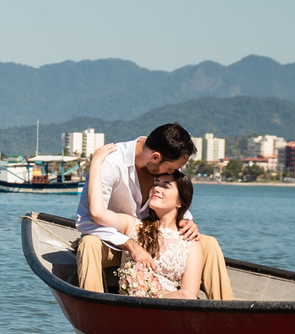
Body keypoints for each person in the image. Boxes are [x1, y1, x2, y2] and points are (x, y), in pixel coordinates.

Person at [74, 123, 233, 299]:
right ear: (155, 157)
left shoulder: (166, 161)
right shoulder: (110, 163)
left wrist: (187, 221)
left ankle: (227, 313)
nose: (173, 173)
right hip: (113, 240)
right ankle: (96, 308)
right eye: (171, 169)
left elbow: (176, 197)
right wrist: (129, 243)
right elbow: (86, 219)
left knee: (208, 244)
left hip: (153, 237)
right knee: (89, 244)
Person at [86, 146, 201, 298]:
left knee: (188, 297)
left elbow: (188, 293)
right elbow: (97, 213)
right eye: (156, 184)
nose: (157, 189)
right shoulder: (132, 225)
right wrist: (96, 164)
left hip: (168, 305)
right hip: (131, 302)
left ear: (180, 202)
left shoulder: (190, 240)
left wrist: (154, 295)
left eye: (165, 186)